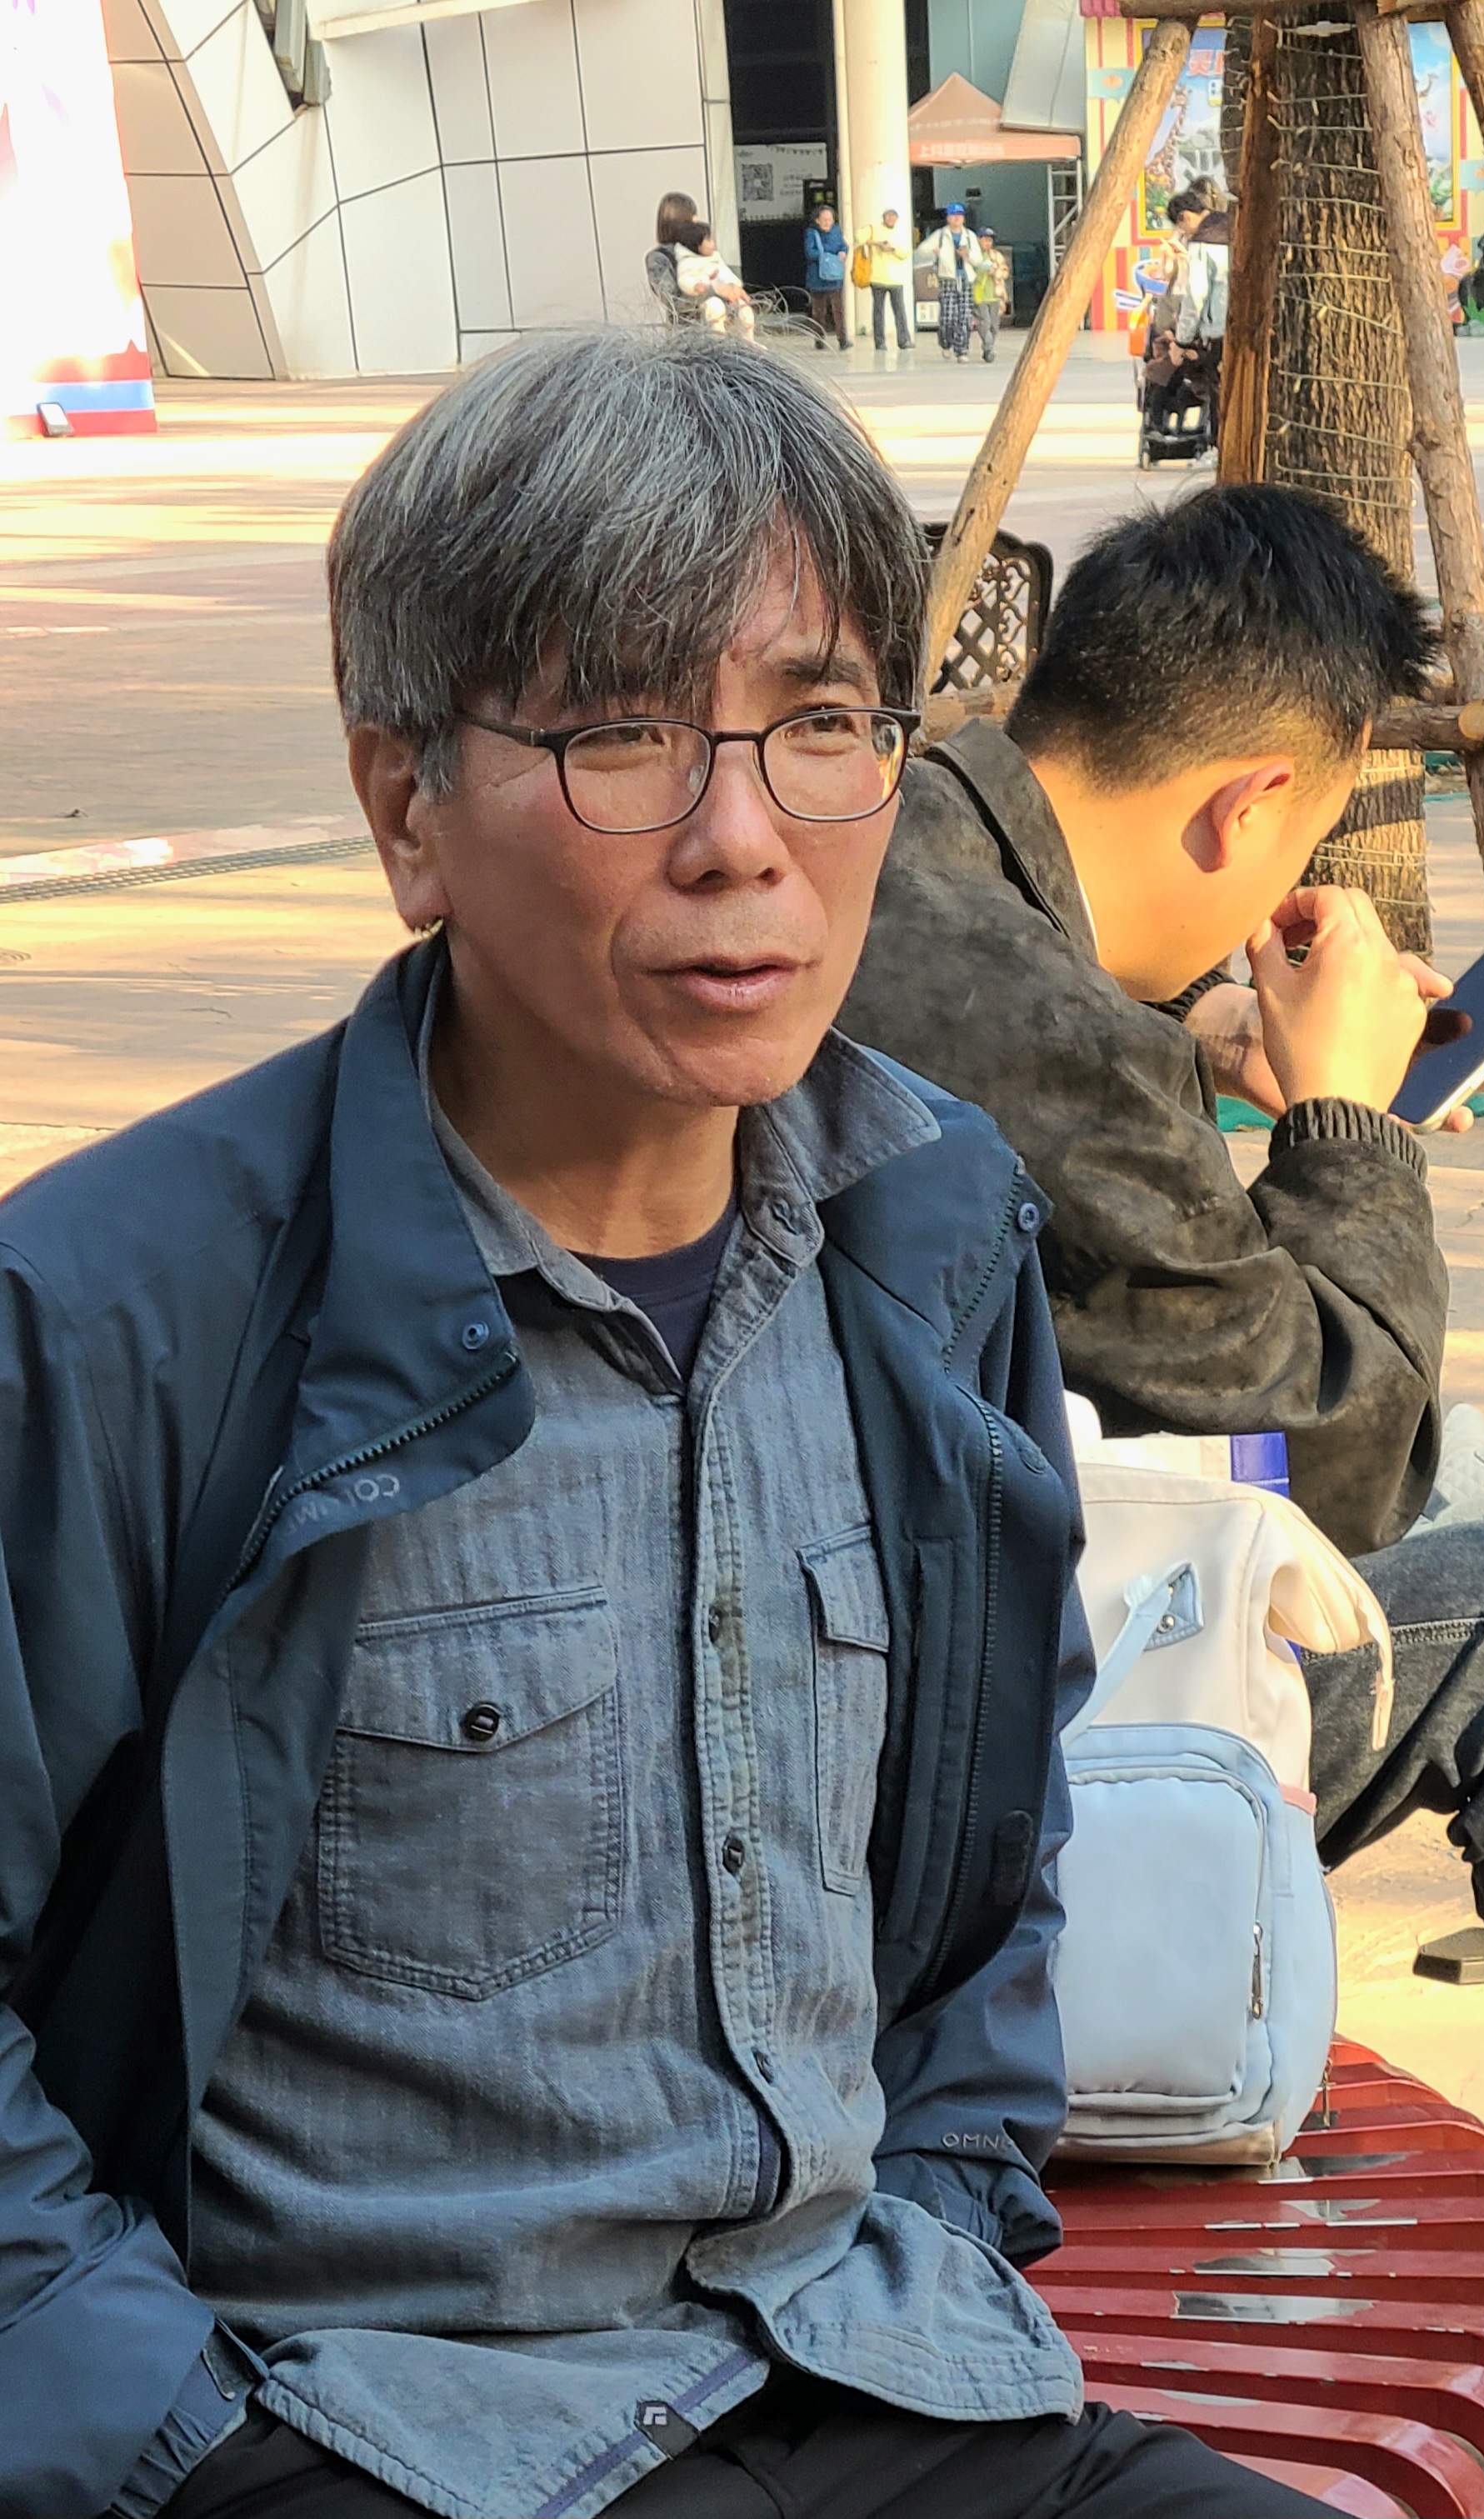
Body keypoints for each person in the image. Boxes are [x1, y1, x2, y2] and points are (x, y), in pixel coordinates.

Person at [0, 332, 1331, 2519]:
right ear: (407, 809)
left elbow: (993, 1855)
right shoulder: (123, 1317)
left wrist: (951, 2211)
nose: (741, 842)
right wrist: (190, 2449)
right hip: (373, 2425)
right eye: (619, 734)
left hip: (867, 2360)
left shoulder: (932, 1230)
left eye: (818, 724)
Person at [842, 481, 1484, 2508]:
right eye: (1302, 835)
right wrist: (1345, 1112)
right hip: (926, 1796)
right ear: (1251, 804)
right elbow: (1338, 1447)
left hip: (851, 1655)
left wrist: (1180, 1034)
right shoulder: (1039, 1021)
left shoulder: (913, 846)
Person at [1167, 181, 1229, 434]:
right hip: (1246, 325)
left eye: (1180, 228)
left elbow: (1195, 296)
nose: (1184, 234)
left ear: (1185, 217)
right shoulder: (1230, 227)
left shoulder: (1202, 243)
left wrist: (1182, 340)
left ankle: (1218, 442)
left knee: (1220, 391)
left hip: (1218, 330)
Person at [916, 204, 982, 362]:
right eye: (953, 215)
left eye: (959, 215)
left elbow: (978, 260)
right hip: (947, 279)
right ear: (948, 218)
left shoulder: (970, 236)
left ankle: (962, 351)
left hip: (966, 279)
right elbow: (922, 249)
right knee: (948, 316)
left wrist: (968, 254)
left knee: (964, 317)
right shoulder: (941, 235)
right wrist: (935, 251)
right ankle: (946, 343)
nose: (956, 218)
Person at [672, 220, 755, 338]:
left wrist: (734, 285)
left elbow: (727, 273)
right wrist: (695, 286)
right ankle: (719, 338)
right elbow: (684, 278)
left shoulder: (715, 258)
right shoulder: (688, 262)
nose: (713, 244)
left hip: (728, 296)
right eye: (709, 240)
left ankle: (748, 338)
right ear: (697, 245)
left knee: (745, 311)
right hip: (707, 298)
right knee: (715, 308)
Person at [645, 188, 698, 324]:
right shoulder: (659, 258)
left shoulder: (698, 250)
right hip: (687, 330)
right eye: (692, 217)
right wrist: (705, 293)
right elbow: (670, 299)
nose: (697, 222)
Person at [803, 202, 850, 350]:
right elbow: (810, 252)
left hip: (834, 277)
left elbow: (843, 245)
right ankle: (819, 340)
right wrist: (827, 256)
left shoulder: (836, 231)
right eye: (824, 220)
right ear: (817, 220)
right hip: (817, 278)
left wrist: (843, 252)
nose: (828, 223)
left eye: (830, 220)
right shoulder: (812, 233)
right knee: (819, 312)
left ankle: (843, 339)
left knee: (838, 310)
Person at [867, 207, 914, 350]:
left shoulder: (901, 233)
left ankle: (904, 340)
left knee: (900, 311)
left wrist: (892, 249)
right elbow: (861, 239)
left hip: (896, 279)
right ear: (883, 218)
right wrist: (878, 244)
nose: (890, 219)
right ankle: (879, 341)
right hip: (877, 277)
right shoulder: (874, 229)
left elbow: (905, 253)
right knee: (878, 312)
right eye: (888, 216)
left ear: (897, 219)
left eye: (893, 217)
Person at [971, 227, 1010, 363]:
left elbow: (1005, 272)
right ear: (978, 240)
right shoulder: (974, 256)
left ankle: (989, 348)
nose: (988, 243)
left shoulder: (996, 256)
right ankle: (989, 348)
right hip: (980, 294)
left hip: (995, 295)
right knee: (984, 322)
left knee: (994, 325)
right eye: (985, 240)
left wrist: (996, 272)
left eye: (990, 240)